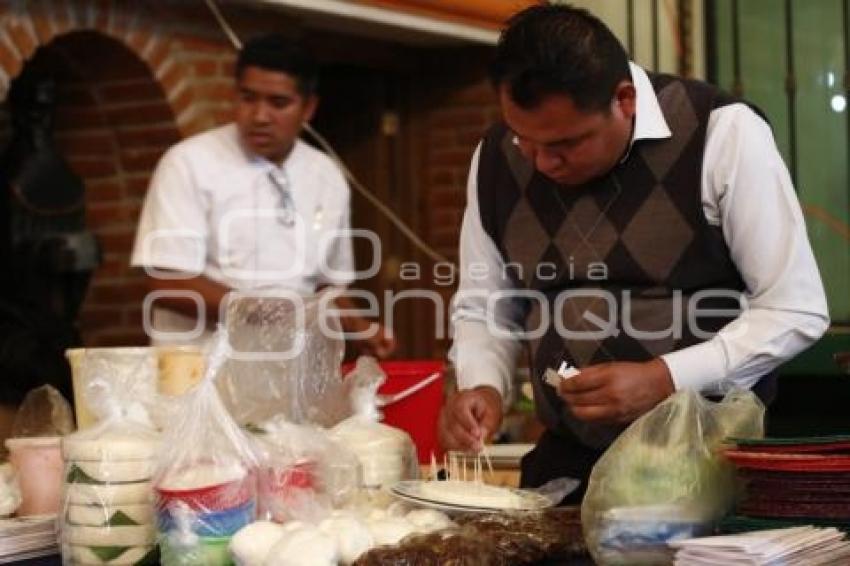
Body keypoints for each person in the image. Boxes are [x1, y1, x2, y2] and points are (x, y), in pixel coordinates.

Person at [440, 4, 829, 502]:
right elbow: (485, 305)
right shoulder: (495, 158)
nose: (541, 162)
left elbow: (795, 308)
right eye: (525, 139)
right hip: (566, 468)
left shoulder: (721, 133)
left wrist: (665, 379)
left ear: (624, 100)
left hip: (708, 465)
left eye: (564, 143)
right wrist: (482, 384)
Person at [131, 34, 395, 357]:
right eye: (248, 98)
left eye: (278, 103)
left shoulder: (326, 175)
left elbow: (328, 287)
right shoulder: (189, 163)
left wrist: (360, 327)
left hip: (288, 370)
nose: (259, 116)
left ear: (308, 108)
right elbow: (168, 283)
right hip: (199, 374)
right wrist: (269, 313)